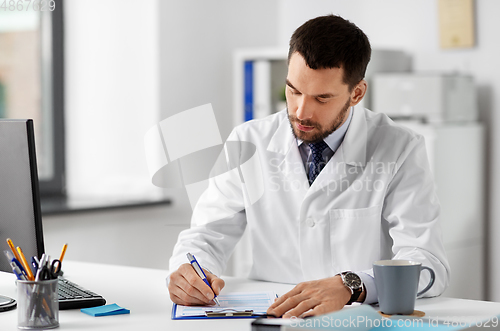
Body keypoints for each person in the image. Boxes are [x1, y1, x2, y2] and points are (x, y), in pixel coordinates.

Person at [167, 14, 450, 318]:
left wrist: (351, 285)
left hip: (357, 318)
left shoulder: (400, 147)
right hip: (273, 317)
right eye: (293, 90)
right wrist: (189, 269)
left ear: (356, 93)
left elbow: (427, 264)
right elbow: (207, 233)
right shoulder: (249, 141)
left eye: (322, 98)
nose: (301, 111)